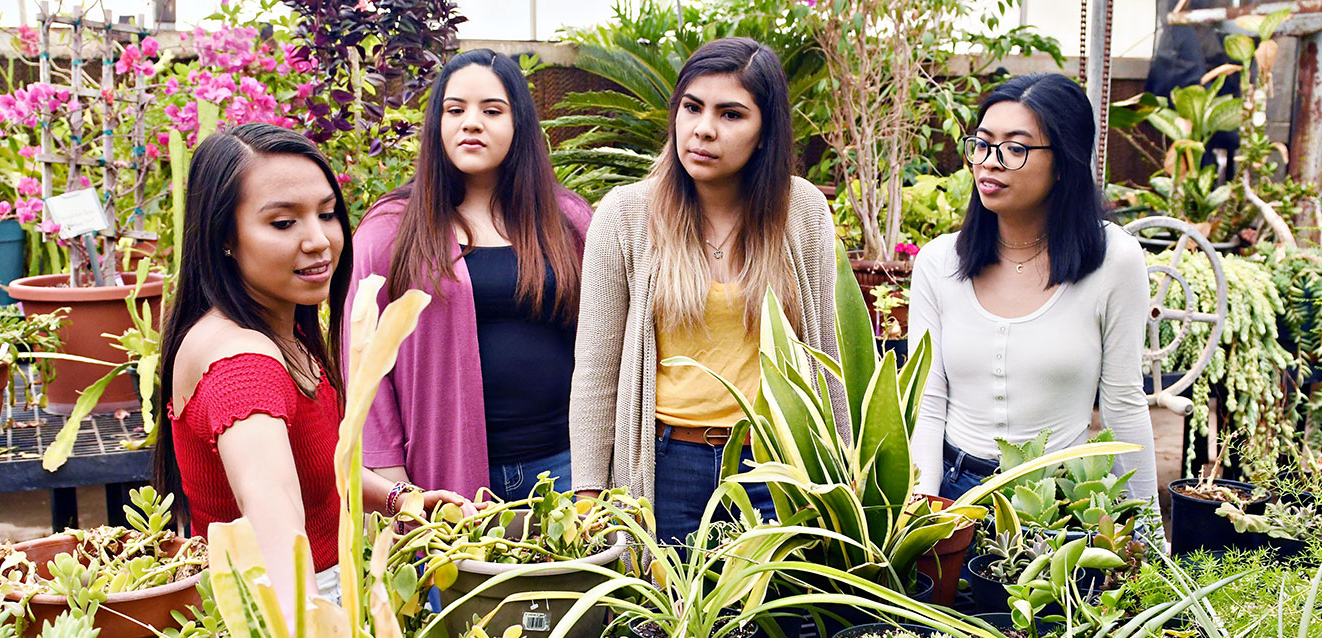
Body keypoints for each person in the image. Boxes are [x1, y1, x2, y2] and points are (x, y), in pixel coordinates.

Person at [154, 123, 475, 611]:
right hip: (284, 609)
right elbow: (275, 515)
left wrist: (402, 498)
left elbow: (310, 459)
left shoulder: (278, 330)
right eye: (284, 223)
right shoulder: (243, 366)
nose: (319, 240)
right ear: (224, 236)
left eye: (327, 214)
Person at [569, 37, 846, 545]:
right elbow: (595, 366)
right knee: (666, 613)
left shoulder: (801, 210)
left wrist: (843, 478)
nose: (703, 129)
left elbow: (826, 348)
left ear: (765, 132)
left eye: (731, 114)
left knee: (773, 614)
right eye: (692, 107)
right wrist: (589, 492)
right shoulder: (626, 215)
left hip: (771, 462)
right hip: (664, 464)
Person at [346, 50, 594, 507]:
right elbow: (364, 364)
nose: (471, 123)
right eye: (455, 109)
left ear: (519, 123)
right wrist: (396, 484)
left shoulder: (568, 220)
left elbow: (604, 343)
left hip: (565, 466)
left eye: (492, 111)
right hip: (445, 477)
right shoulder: (391, 230)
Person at [907, 73, 1159, 504]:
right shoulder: (939, 262)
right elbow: (927, 404)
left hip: (1062, 503)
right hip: (955, 497)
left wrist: (1151, 545)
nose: (989, 161)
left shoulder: (1114, 260)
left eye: (1016, 149)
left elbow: (1123, 405)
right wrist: (923, 514)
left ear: (1064, 163)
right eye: (982, 144)